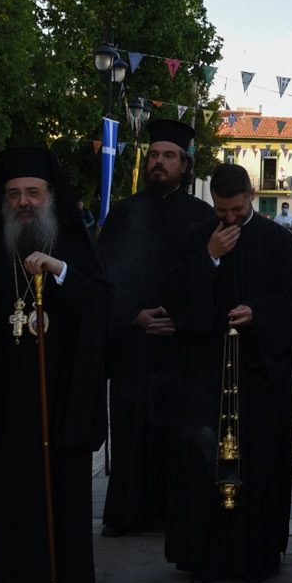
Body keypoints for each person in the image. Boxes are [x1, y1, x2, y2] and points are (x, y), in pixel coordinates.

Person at [0, 146, 112, 583]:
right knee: (3, 492)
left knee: (62, 490)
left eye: (33, 193)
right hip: (2, 395)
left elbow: (101, 304)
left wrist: (60, 272)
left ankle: (66, 580)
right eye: (14, 194)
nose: (24, 202)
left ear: (51, 196)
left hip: (60, 395)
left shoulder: (75, 245)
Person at [163, 162, 292, 583]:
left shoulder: (278, 241)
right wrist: (208, 258)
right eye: (222, 211)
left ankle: (256, 557)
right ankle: (203, 556)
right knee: (202, 461)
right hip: (205, 374)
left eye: (237, 211)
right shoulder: (196, 237)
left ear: (251, 198)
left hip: (258, 377)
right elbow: (174, 297)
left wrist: (258, 313)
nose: (229, 219)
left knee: (258, 464)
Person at [96, 120, 209, 538]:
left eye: (169, 156)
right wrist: (134, 315)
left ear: (185, 165)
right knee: (131, 427)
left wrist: (181, 318)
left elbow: (209, 278)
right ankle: (126, 512)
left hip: (180, 345)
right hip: (134, 342)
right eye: (154, 155)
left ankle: (175, 512)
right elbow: (104, 279)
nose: (159, 162)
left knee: (179, 429)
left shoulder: (202, 217)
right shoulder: (123, 213)